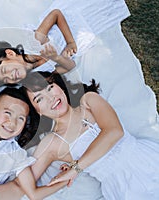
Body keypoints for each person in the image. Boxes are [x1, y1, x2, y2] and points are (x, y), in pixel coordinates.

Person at [22, 71, 159, 199]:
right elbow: (25, 186)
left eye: (50, 88)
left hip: (144, 159)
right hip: (121, 187)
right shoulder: (52, 142)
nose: (50, 97)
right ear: (37, 111)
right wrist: (63, 180)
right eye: (39, 99)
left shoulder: (88, 101)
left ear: (60, 87)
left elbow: (114, 131)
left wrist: (75, 168)